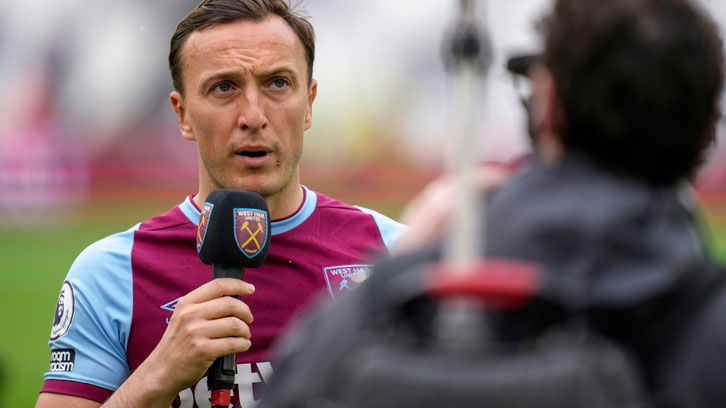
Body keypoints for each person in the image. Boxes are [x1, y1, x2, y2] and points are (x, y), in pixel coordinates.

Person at [261, 0, 726, 406]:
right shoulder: (703, 320)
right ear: (709, 128)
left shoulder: (406, 293)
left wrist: (399, 265)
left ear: (545, 103)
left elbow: (293, 388)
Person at [36, 1, 405, 407]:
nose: (253, 115)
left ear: (310, 103)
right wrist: (158, 375)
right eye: (224, 87)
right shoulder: (111, 273)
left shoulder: (394, 253)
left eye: (278, 83)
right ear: (183, 115)